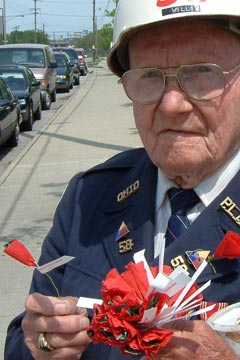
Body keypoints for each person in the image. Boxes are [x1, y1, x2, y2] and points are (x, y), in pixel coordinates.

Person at [4, 0, 240, 359]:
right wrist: (41, 345)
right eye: (149, 76)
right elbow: (25, 338)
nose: (171, 103)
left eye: (201, 71)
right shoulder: (90, 197)